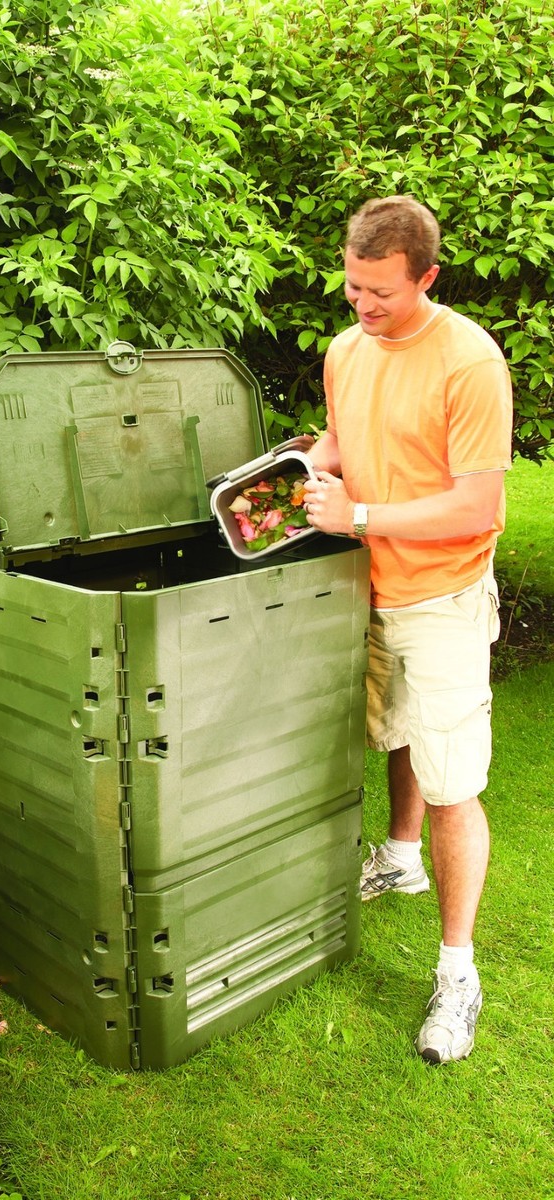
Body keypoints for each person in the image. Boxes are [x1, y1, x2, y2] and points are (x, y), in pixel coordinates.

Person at [302, 195, 513, 1064]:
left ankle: (458, 975)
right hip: (365, 588)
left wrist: (356, 515)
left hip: (441, 598)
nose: (363, 305)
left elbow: (476, 504)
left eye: (381, 293)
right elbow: (345, 440)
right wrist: (298, 465)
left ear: (427, 277)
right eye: (353, 287)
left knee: (452, 782)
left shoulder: (470, 362)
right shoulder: (345, 350)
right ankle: (398, 856)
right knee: (394, 733)